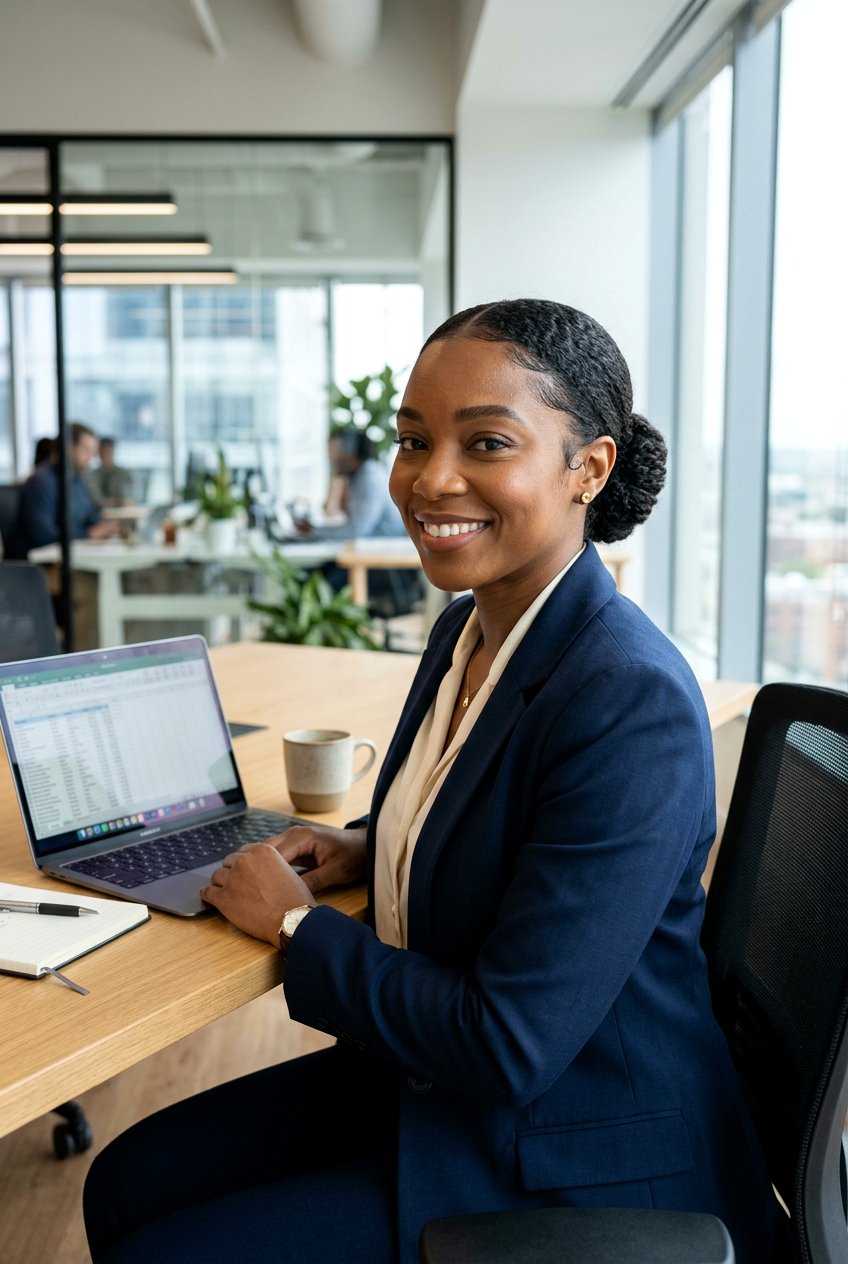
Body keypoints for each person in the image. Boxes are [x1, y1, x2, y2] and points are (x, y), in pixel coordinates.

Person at [83, 300, 780, 1264]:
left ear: (590, 468)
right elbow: (493, 815)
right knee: (124, 1184)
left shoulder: (628, 699)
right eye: (413, 440)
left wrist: (295, 927)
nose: (430, 479)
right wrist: (367, 847)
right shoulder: (468, 631)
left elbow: (506, 1042)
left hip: (561, 1148)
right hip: (437, 1084)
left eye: (485, 442)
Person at [4, 422, 119, 558]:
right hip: (42, 565)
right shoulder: (42, 482)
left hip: (66, 557)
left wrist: (106, 528)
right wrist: (89, 534)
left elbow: (87, 516)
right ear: (70, 448)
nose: (91, 457)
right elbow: (43, 535)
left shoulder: (77, 479)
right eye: (86, 450)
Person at [296, 429, 405, 540]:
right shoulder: (358, 476)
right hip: (367, 547)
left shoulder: (370, 479)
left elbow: (356, 531)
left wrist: (314, 531)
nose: (332, 461)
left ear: (352, 456)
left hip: (383, 550)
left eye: (336, 456)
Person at [87, 435, 134, 507]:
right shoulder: (91, 475)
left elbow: (129, 500)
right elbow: (93, 500)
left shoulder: (124, 474)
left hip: (121, 514)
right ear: (99, 453)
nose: (106, 455)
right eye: (103, 452)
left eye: (109, 451)